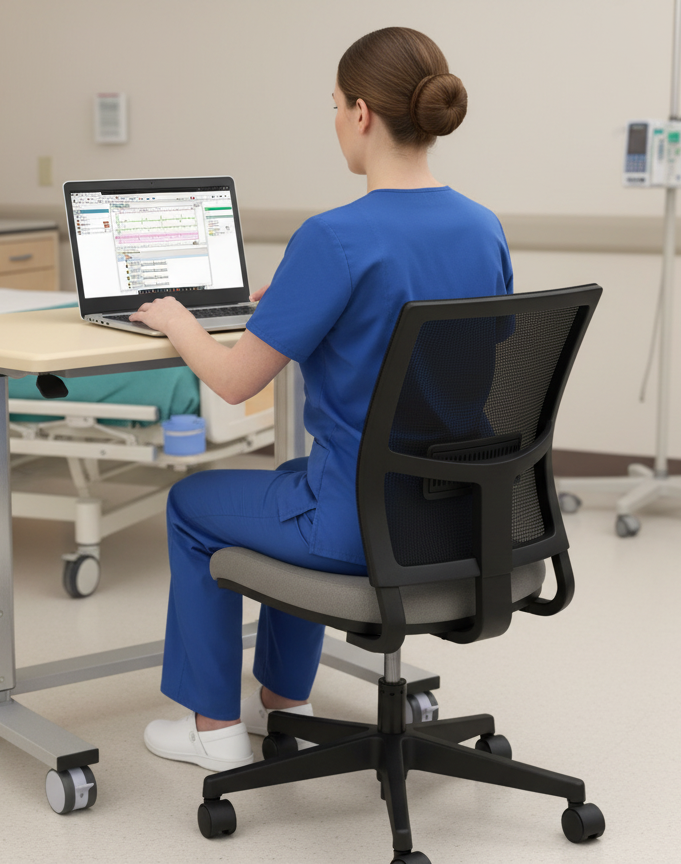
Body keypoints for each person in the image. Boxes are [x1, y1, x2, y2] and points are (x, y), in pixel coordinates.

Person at [131, 26, 513, 772]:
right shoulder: (481, 226)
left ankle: (212, 728)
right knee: (289, 480)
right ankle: (284, 701)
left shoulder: (335, 237)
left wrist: (178, 321)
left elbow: (234, 380)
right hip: (463, 517)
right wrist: (299, 306)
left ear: (362, 114)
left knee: (191, 507)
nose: (335, 119)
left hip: (358, 528)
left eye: (335, 105)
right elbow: (468, 350)